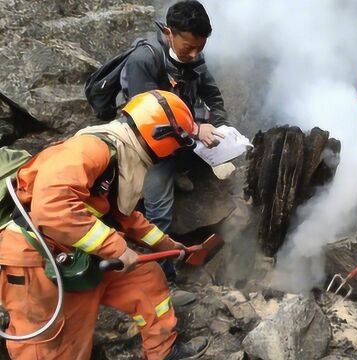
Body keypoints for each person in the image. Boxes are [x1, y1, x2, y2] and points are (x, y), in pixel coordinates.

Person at [0, 91, 208, 359]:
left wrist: (167, 244)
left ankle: (163, 352)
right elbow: (51, 208)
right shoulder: (91, 149)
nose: (177, 150)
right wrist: (116, 248)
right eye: (179, 141)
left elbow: (123, 215)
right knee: (56, 347)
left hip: (78, 252)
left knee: (146, 279)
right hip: (36, 259)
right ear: (161, 135)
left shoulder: (123, 155)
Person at [120, 0, 228, 299]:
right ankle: (163, 283)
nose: (194, 55)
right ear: (169, 33)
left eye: (199, 47)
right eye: (188, 48)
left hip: (182, 142)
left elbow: (213, 96)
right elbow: (147, 119)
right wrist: (195, 130)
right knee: (159, 212)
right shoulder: (144, 60)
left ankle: (181, 168)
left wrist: (222, 127)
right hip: (150, 147)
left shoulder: (194, 56)